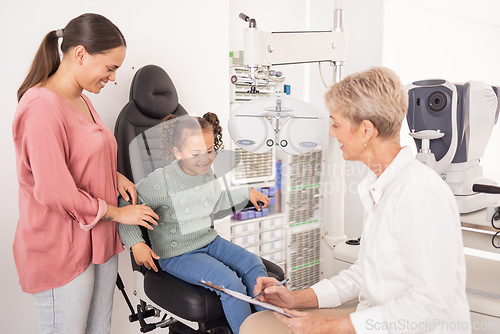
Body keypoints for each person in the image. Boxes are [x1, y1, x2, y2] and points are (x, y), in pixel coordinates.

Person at [240, 67, 471, 334]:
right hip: (377, 319)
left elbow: (431, 307)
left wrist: (331, 326)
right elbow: (365, 274)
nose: (332, 132)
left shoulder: (419, 193)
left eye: (336, 123)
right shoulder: (379, 186)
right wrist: (296, 297)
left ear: (365, 131)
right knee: (258, 327)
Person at [12, 13, 159, 334]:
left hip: (98, 242)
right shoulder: (40, 107)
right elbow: (54, 190)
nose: (115, 77)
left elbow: (85, 153)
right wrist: (119, 213)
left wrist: (113, 176)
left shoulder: (79, 99)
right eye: (110, 67)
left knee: (98, 330)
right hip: (61, 247)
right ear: (80, 54)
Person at [118, 113, 271, 334]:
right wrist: (136, 244)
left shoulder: (206, 172)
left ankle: (267, 328)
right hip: (177, 254)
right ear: (177, 152)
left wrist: (247, 191)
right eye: (197, 153)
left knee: (253, 263)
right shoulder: (161, 181)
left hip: (209, 241)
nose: (206, 158)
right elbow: (126, 202)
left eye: (210, 150)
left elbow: (216, 200)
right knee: (230, 283)